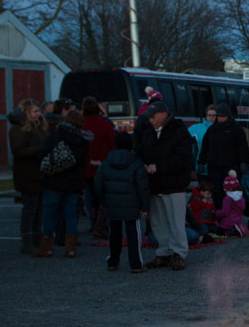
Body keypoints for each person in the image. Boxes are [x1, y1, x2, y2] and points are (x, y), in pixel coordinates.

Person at [137, 101, 194, 270]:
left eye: (153, 116)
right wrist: (144, 165)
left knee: (176, 221)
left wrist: (158, 166)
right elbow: (140, 151)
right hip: (155, 184)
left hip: (174, 183)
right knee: (158, 222)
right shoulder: (148, 132)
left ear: (163, 114)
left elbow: (183, 159)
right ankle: (164, 252)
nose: (151, 120)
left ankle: (179, 253)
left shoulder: (179, 130)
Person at [35, 109, 92, 258]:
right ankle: (71, 248)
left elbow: (42, 153)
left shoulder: (56, 135)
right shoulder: (84, 140)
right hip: (73, 182)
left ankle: (46, 247)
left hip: (54, 180)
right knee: (71, 215)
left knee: (49, 214)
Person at [93, 132, 149, 272]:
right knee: (133, 234)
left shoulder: (106, 162)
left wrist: (103, 200)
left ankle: (113, 261)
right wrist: (145, 205)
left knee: (114, 233)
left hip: (112, 202)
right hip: (131, 202)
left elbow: (98, 183)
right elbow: (142, 187)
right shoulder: (136, 162)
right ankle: (136, 264)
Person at [8, 98, 48, 253]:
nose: (38, 114)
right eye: (35, 111)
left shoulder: (39, 127)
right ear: (26, 112)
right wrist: (40, 149)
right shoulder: (19, 129)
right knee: (30, 209)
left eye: (38, 111)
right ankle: (27, 241)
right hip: (27, 174)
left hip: (39, 173)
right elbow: (18, 151)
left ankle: (37, 239)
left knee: (38, 210)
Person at [200, 103, 249, 212]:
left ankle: (232, 215)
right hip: (214, 166)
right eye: (219, 116)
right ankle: (220, 214)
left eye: (223, 116)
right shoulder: (212, 129)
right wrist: (201, 162)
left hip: (231, 166)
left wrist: (243, 162)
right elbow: (205, 147)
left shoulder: (236, 129)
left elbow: (243, 147)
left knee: (232, 191)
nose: (221, 118)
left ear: (228, 116)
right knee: (217, 191)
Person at [81, 96, 116, 238]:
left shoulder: (81, 124)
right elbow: (113, 144)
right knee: (103, 198)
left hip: (87, 165)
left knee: (91, 198)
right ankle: (101, 225)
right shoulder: (105, 124)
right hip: (103, 164)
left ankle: (94, 224)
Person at [214, 171, 249, 236]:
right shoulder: (240, 196)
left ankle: (231, 231)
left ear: (229, 188)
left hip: (228, 222)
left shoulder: (227, 198)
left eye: (224, 188)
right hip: (237, 220)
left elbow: (225, 212)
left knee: (217, 231)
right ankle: (238, 227)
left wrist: (216, 212)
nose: (223, 189)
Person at [187, 104, 216, 178]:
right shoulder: (195, 128)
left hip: (217, 169)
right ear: (206, 116)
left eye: (214, 115)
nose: (211, 117)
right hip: (200, 168)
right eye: (209, 115)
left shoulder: (221, 129)